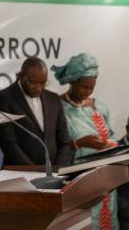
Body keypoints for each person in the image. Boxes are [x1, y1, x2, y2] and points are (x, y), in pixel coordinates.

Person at [51, 53, 119, 230]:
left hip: (105, 180)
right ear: (72, 81)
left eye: (91, 87)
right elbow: (53, 146)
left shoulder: (99, 107)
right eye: (83, 87)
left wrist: (111, 144)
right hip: (77, 182)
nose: (88, 91)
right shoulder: (57, 106)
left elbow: (110, 135)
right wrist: (79, 144)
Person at [0, 57, 72, 167]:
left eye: (43, 83)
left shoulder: (54, 99)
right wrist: (35, 171)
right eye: (33, 82)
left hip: (54, 174)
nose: (38, 88)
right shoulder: (2, 99)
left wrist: (58, 169)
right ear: (20, 76)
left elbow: (64, 141)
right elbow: (9, 144)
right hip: (20, 174)